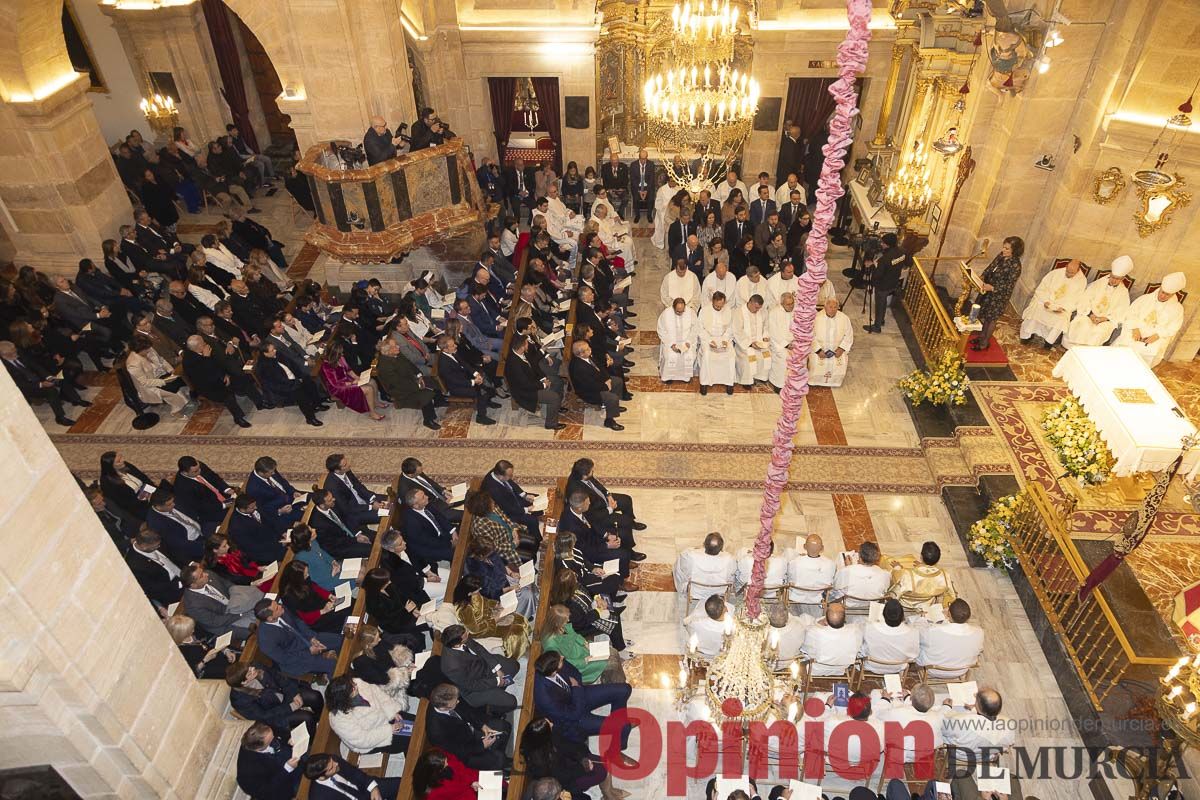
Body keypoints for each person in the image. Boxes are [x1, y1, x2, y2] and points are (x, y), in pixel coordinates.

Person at [532, 650, 638, 768]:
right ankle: (614, 752)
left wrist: (577, 689)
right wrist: (576, 688)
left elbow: (576, 674)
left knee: (624, 690)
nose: (563, 657)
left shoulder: (553, 661)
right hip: (574, 722)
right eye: (561, 660)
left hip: (578, 695)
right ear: (553, 671)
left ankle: (618, 728)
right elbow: (573, 715)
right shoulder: (544, 697)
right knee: (624, 726)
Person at [521, 716, 617, 800]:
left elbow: (567, 745)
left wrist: (581, 757)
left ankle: (609, 793)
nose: (552, 723)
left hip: (568, 761)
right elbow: (563, 776)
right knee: (602, 772)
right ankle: (609, 795)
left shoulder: (544, 738)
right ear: (544, 735)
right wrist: (583, 768)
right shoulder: (541, 762)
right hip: (567, 780)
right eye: (549, 724)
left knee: (604, 763)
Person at [226, 661, 325, 738]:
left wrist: (294, 693)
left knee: (315, 696)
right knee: (307, 717)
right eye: (249, 672)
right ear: (244, 682)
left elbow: (279, 678)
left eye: (249, 667)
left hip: (283, 694)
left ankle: (321, 720)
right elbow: (264, 716)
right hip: (275, 715)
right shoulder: (239, 700)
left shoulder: (255, 665)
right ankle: (312, 740)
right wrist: (290, 707)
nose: (253, 668)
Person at [425, 683, 511, 771]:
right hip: (466, 750)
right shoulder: (436, 732)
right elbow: (457, 751)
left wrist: (482, 726)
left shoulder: (450, 698)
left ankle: (495, 750)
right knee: (500, 759)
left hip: (470, 729)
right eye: (455, 702)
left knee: (505, 726)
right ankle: (496, 759)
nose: (458, 702)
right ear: (444, 708)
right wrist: (482, 745)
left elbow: (467, 711)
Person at [1, 340, 87, 426]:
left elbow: (36, 366)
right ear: (4, 355)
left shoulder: (18, 353)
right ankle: (60, 417)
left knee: (59, 379)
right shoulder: (3, 368)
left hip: (37, 378)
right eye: (13, 352)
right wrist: (41, 384)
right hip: (28, 387)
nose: (17, 353)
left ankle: (76, 399)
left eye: (15, 350)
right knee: (51, 390)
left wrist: (48, 376)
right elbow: (19, 384)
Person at [439, 624, 521, 712]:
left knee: (515, 666)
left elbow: (479, 649)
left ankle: (499, 688)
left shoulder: (460, 636)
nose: (468, 633)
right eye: (466, 635)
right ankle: (490, 708)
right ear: (457, 645)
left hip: (483, 666)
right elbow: (472, 685)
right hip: (474, 689)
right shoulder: (451, 666)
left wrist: (497, 669)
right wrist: (497, 681)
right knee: (512, 703)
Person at [254, 597, 343, 677]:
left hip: (305, 638)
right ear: (270, 618)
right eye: (277, 608)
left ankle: (333, 655)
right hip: (296, 659)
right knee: (333, 666)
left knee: (341, 641)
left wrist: (311, 638)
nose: (280, 606)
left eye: (277, 603)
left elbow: (298, 622)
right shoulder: (265, 640)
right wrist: (309, 651)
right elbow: (284, 658)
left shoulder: (281, 609)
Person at [326, 674, 411, 755]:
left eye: (352, 683)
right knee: (411, 740)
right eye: (352, 688)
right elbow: (362, 740)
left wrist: (392, 711)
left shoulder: (355, 682)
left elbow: (378, 693)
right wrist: (390, 729)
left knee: (417, 722)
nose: (355, 685)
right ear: (344, 698)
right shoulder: (339, 720)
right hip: (376, 738)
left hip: (384, 716)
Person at [1114, 271, 1187, 366]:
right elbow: (1130, 314)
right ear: (1160, 288)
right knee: (1127, 341)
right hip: (1137, 329)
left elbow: (1173, 328)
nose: (1162, 296)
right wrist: (1135, 329)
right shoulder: (1144, 298)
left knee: (1150, 350)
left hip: (1156, 336)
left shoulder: (1177, 309)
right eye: (1162, 292)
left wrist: (1157, 335)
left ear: (1173, 294)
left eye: (1167, 294)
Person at [1062, 255, 1133, 349]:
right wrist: (1090, 314)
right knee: (1083, 325)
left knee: (1100, 331)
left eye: (1117, 279)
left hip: (1105, 321)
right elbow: (1085, 299)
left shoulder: (1123, 292)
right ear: (1110, 274)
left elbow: (1121, 311)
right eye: (1113, 277)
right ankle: (1072, 349)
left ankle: (1086, 353)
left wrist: (1104, 318)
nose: (1114, 280)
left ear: (1122, 279)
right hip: (1089, 315)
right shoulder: (1098, 283)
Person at [453, 574, 531, 659]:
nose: (480, 590)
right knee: (516, 632)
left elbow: (484, 601)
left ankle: (524, 643)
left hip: (489, 616)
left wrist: (496, 605)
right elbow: (474, 630)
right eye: (477, 589)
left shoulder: (474, 593)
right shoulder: (464, 609)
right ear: (469, 593)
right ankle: (515, 653)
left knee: (519, 618)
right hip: (483, 630)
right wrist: (495, 620)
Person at [1019, 258, 1089, 348]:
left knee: (1061, 319)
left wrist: (1063, 308)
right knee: (1037, 309)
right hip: (1046, 301)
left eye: (1071, 273)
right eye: (1067, 271)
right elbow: (1042, 288)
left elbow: (1077, 300)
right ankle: (1026, 336)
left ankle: (1048, 342)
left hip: (1062, 307)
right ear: (1066, 266)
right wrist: (1046, 301)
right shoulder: (1055, 273)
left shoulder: (1082, 281)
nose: (1068, 274)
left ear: (1078, 270)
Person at [971, 235, 1024, 351]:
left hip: (999, 295)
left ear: (1015, 251)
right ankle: (981, 337)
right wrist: (983, 275)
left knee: (991, 319)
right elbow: (991, 267)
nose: (1003, 250)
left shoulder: (1016, 266)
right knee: (985, 315)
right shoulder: (1001, 255)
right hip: (988, 289)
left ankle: (984, 343)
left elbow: (1008, 285)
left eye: (1007, 249)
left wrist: (993, 288)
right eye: (1003, 247)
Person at [181, 562, 259, 639]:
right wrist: (239, 614)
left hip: (235, 604)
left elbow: (228, 585)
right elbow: (215, 621)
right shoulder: (192, 605)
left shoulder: (210, 574)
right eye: (202, 576)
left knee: (263, 607)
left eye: (203, 571)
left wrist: (240, 601)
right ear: (193, 585)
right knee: (256, 628)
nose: (206, 574)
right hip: (224, 622)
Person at [435, 333, 498, 426]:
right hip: (457, 387)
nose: (456, 346)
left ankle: (487, 402)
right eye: (453, 346)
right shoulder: (444, 364)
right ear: (445, 349)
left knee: (486, 381)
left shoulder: (452, 352)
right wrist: (473, 382)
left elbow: (465, 364)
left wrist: (475, 374)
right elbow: (455, 381)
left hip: (464, 377)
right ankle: (481, 417)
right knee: (481, 392)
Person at [916, 598, 985, 679]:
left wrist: (922, 619)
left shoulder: (933, 631)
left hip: (933, 670)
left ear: (949, 613)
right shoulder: (979, 632)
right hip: (960, 671)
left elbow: (917, 634)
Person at [506, 334, 563, 430]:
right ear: (522, 346)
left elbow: (534, 366)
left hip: (533, 381)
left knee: (558, 381)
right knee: (554, 397)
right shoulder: (513, 365)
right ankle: (551, 424)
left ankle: (556, 407)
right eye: (527, 343)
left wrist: (543, 378)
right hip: (525, 392)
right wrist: (543, 385)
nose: (528, 344)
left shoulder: (522, 353)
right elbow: (525, 385)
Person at [235, 722, 303, 800]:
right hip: (286, 784)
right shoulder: (247, 773)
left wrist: (289, 737)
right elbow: (266, 792)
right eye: (271, 740)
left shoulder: (264, 729)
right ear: (258, 748)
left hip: (295, 757)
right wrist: (287, 769)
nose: (274, 737)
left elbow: (280, 732)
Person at [567, 340, 626, 431]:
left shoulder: (587, 356)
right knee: (612, 398)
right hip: (589, 392)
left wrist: (608, 379)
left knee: (618, 381)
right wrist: (606, 386)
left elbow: (600, 367)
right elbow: (589, 385)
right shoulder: (579, 367)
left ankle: (612, 406)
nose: (590, 349)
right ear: (581, 354)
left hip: (598, 382)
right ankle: (609, 421)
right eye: (587, 349)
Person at [940, 687, 1015, 758]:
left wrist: (946, 706)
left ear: (979, 707)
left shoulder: (962, 722)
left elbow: (942, 728)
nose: (975, 695)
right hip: (987, 756)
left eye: (977, 699)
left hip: (960, 755)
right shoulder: (1009, 725)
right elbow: (1007, 744)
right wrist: (974, 709)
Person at [541, 604, 606, 684]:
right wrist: (584, 661)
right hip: (575, 661)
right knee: (603, 662)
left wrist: (584, 643)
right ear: (557, 623)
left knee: (605, 651)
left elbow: (574, 634)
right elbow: (562, 662)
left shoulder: (559, 626)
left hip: (578, 647)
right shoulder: (550, 643)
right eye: (565, 620)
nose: (568, 620)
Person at [888, 540, 955, 612]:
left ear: (921, 556)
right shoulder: (945, 576)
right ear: (937, 560)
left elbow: (895, 588)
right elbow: (951, 596)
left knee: (887, 561)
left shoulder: (907, 575)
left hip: (905, 604)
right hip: (927, 604)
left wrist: (897, 567)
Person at [672, 532, 737, 606]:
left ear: (704, 545)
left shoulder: (690, 556)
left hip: (695, 591)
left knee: (680, 567)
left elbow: (681, 571)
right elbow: (731, 578)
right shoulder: (729, 560)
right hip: (719, 592)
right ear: (721, 548)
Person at [862, 232, 908, 334]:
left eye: (883, 243)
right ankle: (881, 320)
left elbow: (878, 274)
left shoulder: (885, 259)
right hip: (894, 282)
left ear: (888, 244)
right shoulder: (902, 252)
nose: (881, 245)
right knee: (882, 303)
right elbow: (908, 263)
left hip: (882, 285)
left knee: (880, 305)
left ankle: (877, 326)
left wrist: (872, 266)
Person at [305, 752, 402, 800]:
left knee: (401, 785)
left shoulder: (333, 759)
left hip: (365, 788)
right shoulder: (317, 797)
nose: (336, 764)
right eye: (331, 767)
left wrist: (373, 788)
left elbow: (355, 773)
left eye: (332, 761)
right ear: (321, 775)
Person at [165, 613, 236, 678]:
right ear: (181, 634)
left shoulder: (195, 629)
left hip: (220, 653)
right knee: (235, 674)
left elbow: (212, 638)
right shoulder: (180, 653)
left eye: (192, 627)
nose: (193, 630)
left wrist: (226, 651)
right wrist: (205, 660)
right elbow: (192, 674)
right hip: (210, 669)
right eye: (190, 630)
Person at [801, 602, 862, 676]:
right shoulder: (855, 630)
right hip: (841, 668)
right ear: (845, 618)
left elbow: (805, 649)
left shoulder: (814, 632)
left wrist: (817, 623)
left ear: (826, 620)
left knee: (805, 617)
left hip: (817, 668)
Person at [859, 598, 919, 674]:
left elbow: (861, 648)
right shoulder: (913, 632)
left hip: (872, 665)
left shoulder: (869, 627)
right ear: (902, 616)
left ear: (883, 614)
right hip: (898, 667)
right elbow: (914, 655)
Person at [694, 292, 737, 395]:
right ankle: (704, 383)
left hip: (723, 339)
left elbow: (730, 328)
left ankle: (729, 382)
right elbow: (700, 328)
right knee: (708, 355)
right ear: (712, 301)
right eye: (717, 306)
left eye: (721, 305)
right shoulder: (704, 311)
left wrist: (725, 339)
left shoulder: (728, 311)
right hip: (708, 338)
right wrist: (709, 340)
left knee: (730, 355)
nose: (719, 308)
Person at [400, 458, 463, 526]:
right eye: (419, 472)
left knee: (468, 494)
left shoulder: (416, 471)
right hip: (435, 508)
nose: (421, 473)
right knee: (462, 515)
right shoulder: (405, 490)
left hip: (440, 495)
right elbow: (420, 507)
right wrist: (444, 503)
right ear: (410, 475)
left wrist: (443, 491)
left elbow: (430, 482)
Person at [786, 534, 836, 617]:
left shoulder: (794, 562)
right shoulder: (831, 564)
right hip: (817, 598)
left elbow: (789, 579)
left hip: (797, 597)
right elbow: (831, 582)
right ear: (822, 548)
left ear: (804, 547)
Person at [833, 541, 891, 610]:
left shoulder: (846, 571)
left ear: (859, 557)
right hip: (871, 604)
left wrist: (847, 568)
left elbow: (836, 585)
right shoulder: (885, 575)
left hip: (849, 603)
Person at [809, 296, 853, 388]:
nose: (833, 310)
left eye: (835, 307)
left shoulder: (844, 318)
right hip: (820, 350)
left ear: (838, 308)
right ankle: (815, 381)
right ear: (825, 307)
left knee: (840, 364)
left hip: (837, 350)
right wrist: (818, 351)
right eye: (830, 307)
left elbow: (849, 335)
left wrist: (841, 349)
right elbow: (810, 335)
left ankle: (834, 382)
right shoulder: (816, 318)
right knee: (816, 364)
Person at [656, 298, 699, 383]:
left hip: (686, 341)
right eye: (678, 311)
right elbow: (661, 330)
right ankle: (668, 377)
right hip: (671, 342)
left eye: (682, 311)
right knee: (670, 356)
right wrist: (671, 344)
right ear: (673, 308)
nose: (680, 313)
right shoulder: (666, 314)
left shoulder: (691, 313)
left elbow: (695, 329)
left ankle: (685, 377)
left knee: (689, 356)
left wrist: (689, 342)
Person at [412, 748, 479, 800]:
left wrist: (471, 781)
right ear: (436, 771)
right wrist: (470, 786)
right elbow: (456, 793)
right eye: (445, 764)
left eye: (446, 760)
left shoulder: (439, 755)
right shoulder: (432, 794)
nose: (447, 763)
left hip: (468, 778)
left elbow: (458, 765)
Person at [733, 294, 770, 385]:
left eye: (759, 308)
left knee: (767, 355)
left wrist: (765, 336)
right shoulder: (739, 312)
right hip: (745, 344)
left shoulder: (763, 312)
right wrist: (750, 343)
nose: (757, 310)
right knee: (749, 357)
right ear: (749, 302)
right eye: (756, 307)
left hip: (759, 342)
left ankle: (760, 376)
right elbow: (737, 331)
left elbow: (766, 326)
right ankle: (747, 381)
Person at [684, 594, 732, 659]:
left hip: (699, 651)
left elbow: (686, 624)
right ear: (725, 609)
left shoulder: (696, 623)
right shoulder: (730, 628)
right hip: (718, 653)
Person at [766, 292, 796, 391]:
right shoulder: (774, 313)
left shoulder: (797, 312)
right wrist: (786, 344)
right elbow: (773, 332)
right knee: (784, 358)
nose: (791, 306)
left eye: (792, 303)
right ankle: (778, 384)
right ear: (781, 303)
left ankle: (794, 384)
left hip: (794, 343)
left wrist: (796, 342)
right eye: (788, 304)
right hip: (778, 344)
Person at [651, 175, 678, 250]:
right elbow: (658, 203)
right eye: (672, 181)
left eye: (675, 181)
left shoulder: (679, 189)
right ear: (668, 181)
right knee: (663, 220)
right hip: (663, 211)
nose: (674, 183)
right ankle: (662, 242)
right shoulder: (662, 190)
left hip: (675, 211)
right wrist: (666, 206)